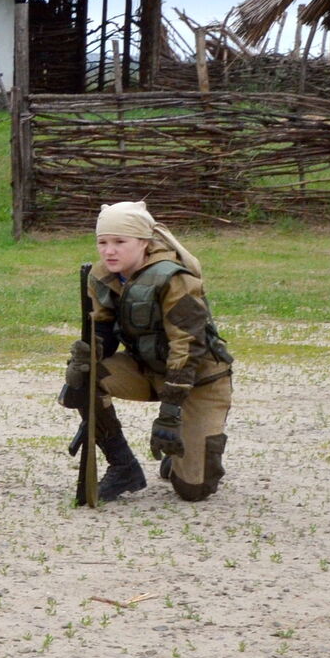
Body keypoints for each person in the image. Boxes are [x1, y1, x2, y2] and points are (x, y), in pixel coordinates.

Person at [61, 201, 234, 503]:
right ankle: (123, 466)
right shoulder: (101, 276)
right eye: (102, 242)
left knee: (193, 490)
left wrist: (170, 412)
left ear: (143, 242)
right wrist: (86, 356)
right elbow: (104, 331)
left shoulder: (174, 278)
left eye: (119, 242)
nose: (109, 251)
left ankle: (181, 458)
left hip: (199, 378)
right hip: (148, 368)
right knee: (88, 378)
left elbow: (188, 345)